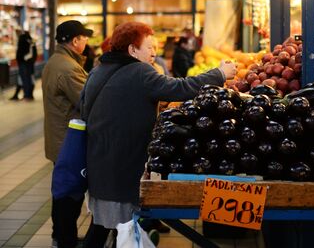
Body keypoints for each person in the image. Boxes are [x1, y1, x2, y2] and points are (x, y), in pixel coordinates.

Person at [81, 22, 236, 247]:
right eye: (149, 47)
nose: (155, 52)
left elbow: (88, 106)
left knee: (104, 226)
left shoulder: (98, 70)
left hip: (99, 160)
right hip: (122, 164)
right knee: (117, 227)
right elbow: (180, 88)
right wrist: (219, 73)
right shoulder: (140, 71)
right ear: (132, 50)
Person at [42, 20, 93, 248]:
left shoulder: (56, 61)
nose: (87, 42)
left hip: (59, 138)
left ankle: (60, 237)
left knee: (63, 191)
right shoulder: (68, 67)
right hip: (67, 142)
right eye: (84, 38)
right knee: (69, 196)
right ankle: (65, 240)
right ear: (75, 41)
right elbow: (88, 101)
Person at [11, 30, 37, 100]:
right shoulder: (31, 41)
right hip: (29, 63)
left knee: (25, 79)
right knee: (28, 78)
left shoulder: (22, 39)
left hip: (23, 62)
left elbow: (20, 52)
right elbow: (34, 53)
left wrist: (21, 59)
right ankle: (27, 95)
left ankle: (27, 95)